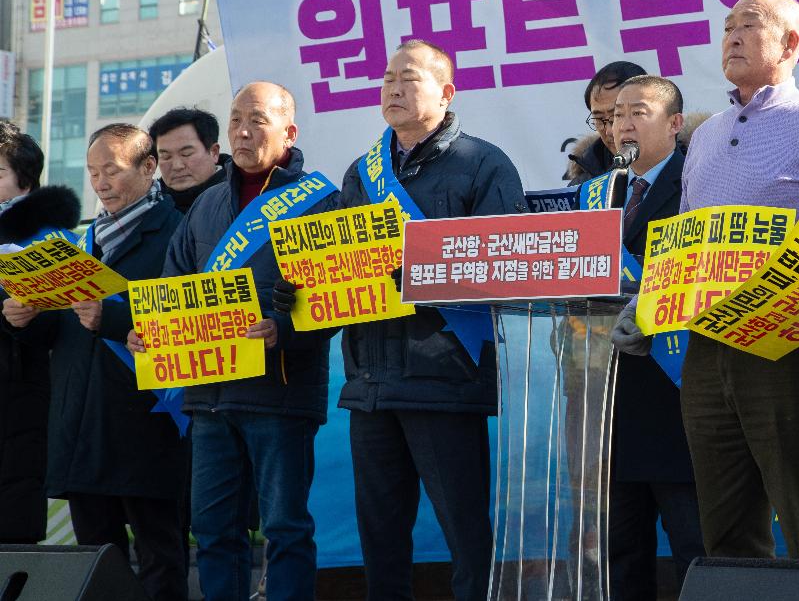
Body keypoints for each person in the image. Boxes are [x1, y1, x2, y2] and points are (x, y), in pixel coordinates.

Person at [616, 0, 799, 560]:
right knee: (724, 525)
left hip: (787, 342)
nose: (730, 36)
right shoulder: (702, 135)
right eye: (728, 25)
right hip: (704, 347)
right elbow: (681, 243)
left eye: (748, 25)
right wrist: (647, 306)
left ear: (790, 43)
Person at [311, 40, 524, 601]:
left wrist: (413, 270)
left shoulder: (482, 162)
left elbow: (505, 262)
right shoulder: (362, 171)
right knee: (380, 536)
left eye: (408, 79)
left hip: (444, 375)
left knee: (466, 532)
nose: (393, 89)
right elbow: (343, 264)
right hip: (371, 384)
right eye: (386, 80)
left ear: (446, 92)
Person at [141, 82, 339, 601]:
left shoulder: (320, 201)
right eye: (234, 121)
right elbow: (172, 288)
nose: (243, 131)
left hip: (281, 393)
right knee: (212, 532)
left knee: (285, 529)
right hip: (210, 398)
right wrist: (153, 336)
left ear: (289, 131)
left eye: (257, 120)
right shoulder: (206, 204)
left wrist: (285, 329)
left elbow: (341, 298)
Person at [5, 124, 188, 600]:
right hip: (82, 426)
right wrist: (23, 318)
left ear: (149, 168)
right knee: (94, 564)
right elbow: (63, 332)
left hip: (149, 423)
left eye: (112, 170)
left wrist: (112, 319)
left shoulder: (178, 233)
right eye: (92, 172)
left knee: (159, 558)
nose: (101, 182)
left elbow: (187, 322)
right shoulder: (82, 242)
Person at [606, 75, 704, 599]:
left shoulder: (698, 181)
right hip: (609, 388)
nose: (623, 123)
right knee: (621, 547)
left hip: (677, 382)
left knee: (693, 539)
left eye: (637, 112)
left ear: (674, 124)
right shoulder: (600, 188)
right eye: (616, 114)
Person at [0, 126, 72, 545]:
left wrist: (18, 313)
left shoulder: (49, 239)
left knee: (13, 525)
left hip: (18, 393)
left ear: (25, 181)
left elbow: (55, 326)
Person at [566, 61, 647, 184]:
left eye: (616, 116)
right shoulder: (583, 188)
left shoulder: (685, 171)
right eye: (599, 119)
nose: (609, 131)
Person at [150, 106, 232, 214]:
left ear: (214, 152)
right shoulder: (149, 206)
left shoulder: (240, 196)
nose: (177, 166)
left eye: (186, 154)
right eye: (166, 157)